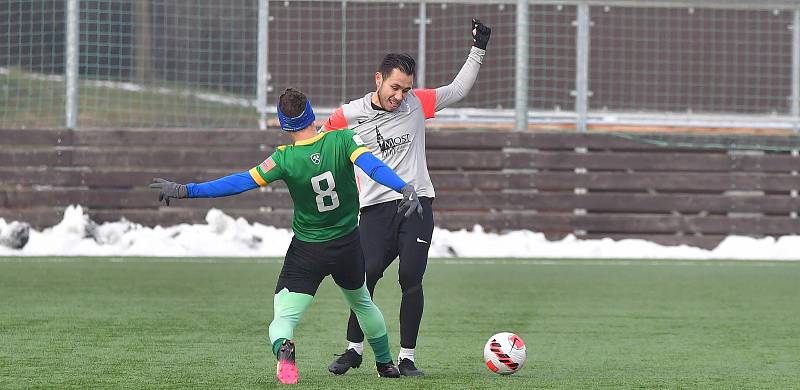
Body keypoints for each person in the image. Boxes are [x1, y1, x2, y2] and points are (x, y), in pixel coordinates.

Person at [149, 88, 423, 385]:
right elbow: (373, 166)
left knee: (284, 315)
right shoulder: (342, 139)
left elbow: (239, 182)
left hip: (307, 251)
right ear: (311, 115)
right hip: (346, 246)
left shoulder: (284, 159)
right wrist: (403, 187)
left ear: (283, 125)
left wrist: (187, 190)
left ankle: (284, 348)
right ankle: (385, 364)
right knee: (362, 303)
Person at [324, 19, 491, 376]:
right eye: (395, 88)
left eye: (406, 89)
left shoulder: (418, 103)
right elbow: (320, 146)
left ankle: (407, 357)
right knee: (364, 276)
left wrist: (479, 49)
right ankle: (354, 350)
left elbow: (458, 89)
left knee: (411, 279)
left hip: (416, 206)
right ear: (378, 80)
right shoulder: (348, 115)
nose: (400, 96)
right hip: (374, 211)